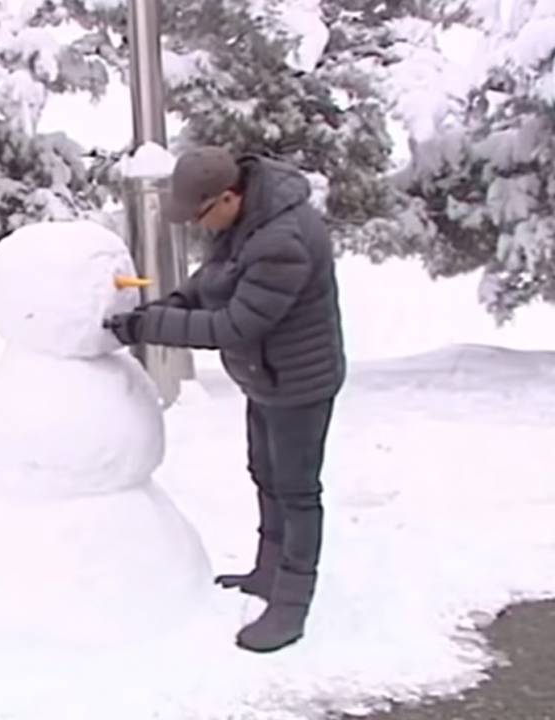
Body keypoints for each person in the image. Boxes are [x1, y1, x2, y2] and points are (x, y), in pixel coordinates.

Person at [103, 146, 345, 653]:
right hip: (267, 375)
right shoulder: (247, 220)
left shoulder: (284, 240)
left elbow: (236, 324)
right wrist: (171, 305)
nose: (200, 227)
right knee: (265, 473)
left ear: (229, 196)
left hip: (300, 380)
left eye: (201, 216)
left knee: (297, 490)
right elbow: (211, 282)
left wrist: (149, 326)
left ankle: (291, 604)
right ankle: (268, 571)